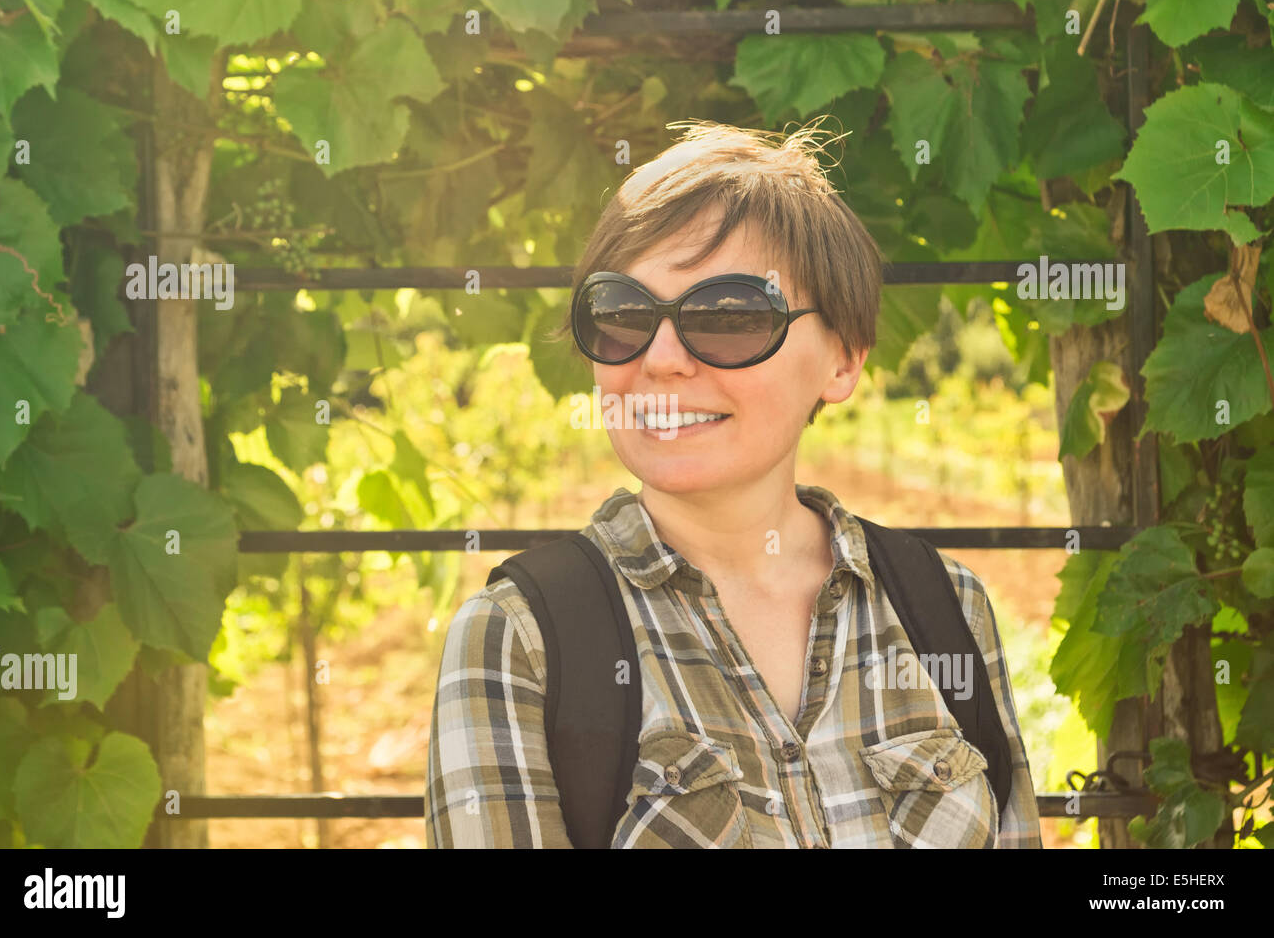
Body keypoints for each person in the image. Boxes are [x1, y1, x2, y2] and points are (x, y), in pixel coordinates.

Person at [425, 118, 1042, 848]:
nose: (660, 358)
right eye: (622, 312)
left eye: (728, 314)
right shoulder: (520, 640)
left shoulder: (944, 605)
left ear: (843, 359)